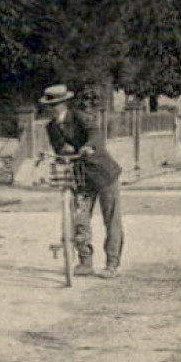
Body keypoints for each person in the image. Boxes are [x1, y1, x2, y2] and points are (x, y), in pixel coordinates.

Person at [41, 84, 124, 278]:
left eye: (55, 106)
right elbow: (59, 148)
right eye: (49, 106)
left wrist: (87, 146)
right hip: (80, 176)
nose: (51, 110)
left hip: (103, 174)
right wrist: (62, 150)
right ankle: (85, 262)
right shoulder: (51, 127)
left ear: (63, 105)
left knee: (111, 220)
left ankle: (112, 264)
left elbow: (95, 134)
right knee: (80, 219)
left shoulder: (79, 117)